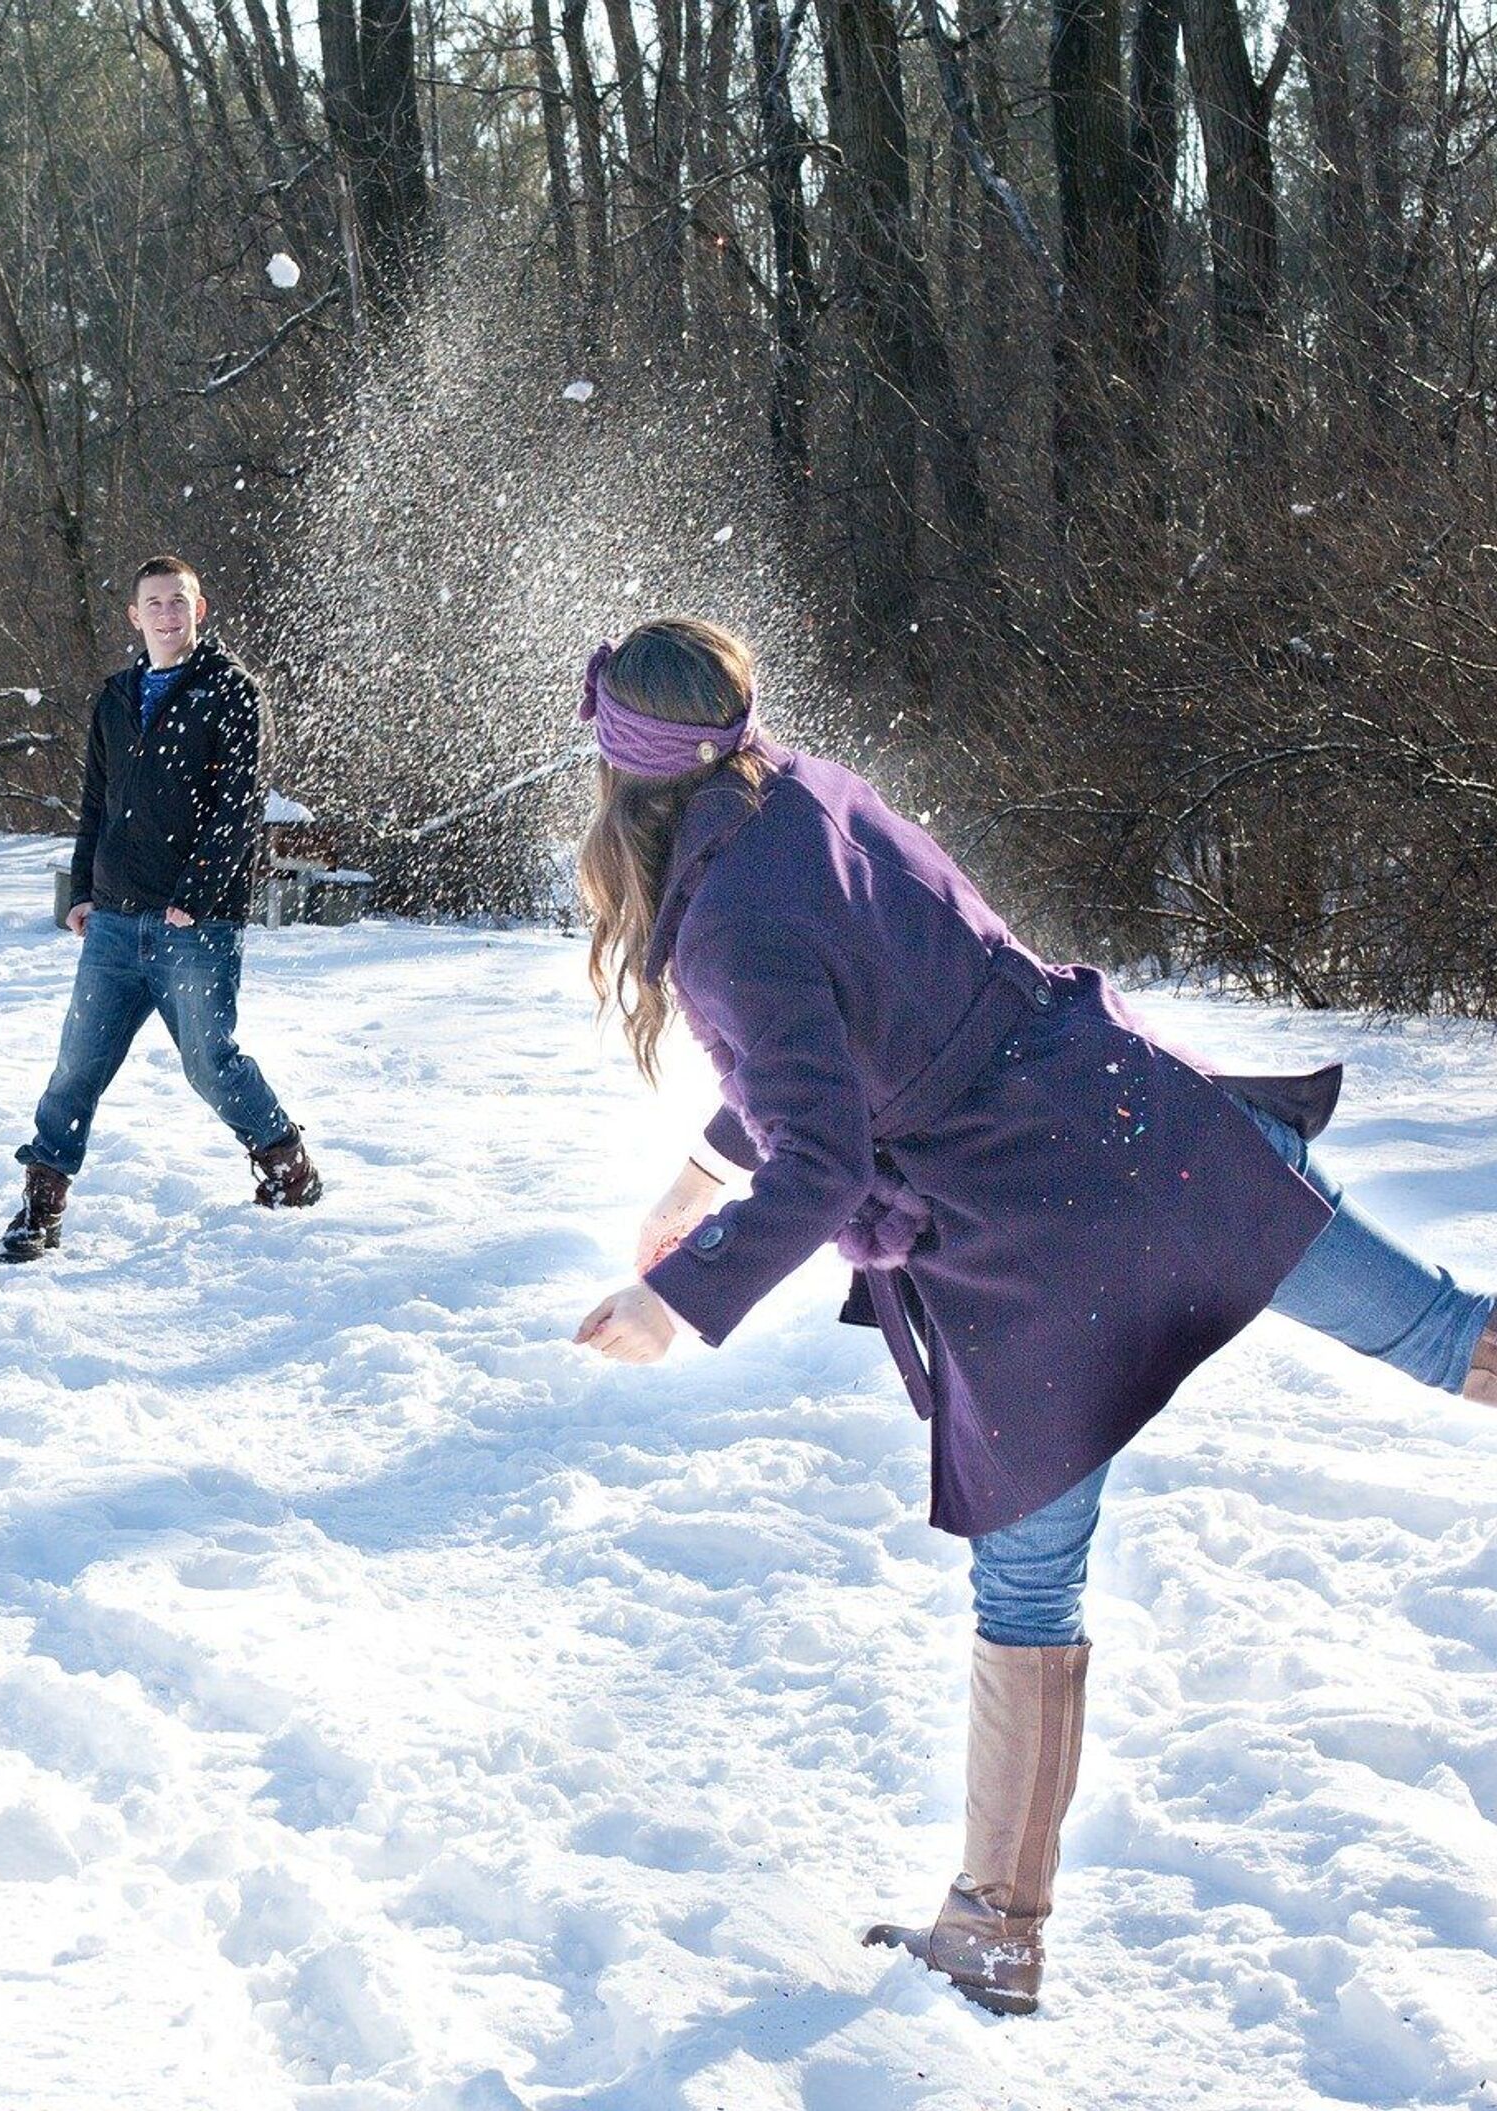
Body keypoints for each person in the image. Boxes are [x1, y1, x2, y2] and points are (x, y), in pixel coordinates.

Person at [570, 616, 1496, 2015]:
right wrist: (698, 1174)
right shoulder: (820, 795)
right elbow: (861, 1020)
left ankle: (998, 1927)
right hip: (1149, 1127)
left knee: (1026, 1589)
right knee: (1443, 1335)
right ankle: (989, 1928)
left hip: (1028, 1245)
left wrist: (675, 1299)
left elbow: (820, 1153)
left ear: (623, 772)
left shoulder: (725, 919)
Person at [0, 555, 321, 1262]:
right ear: (134, 616)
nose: (167, 615)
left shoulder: (229, 691)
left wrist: (194, 895)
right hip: (113, 920)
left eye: (179, 602)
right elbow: (95, 803)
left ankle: (288, 1167)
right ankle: (40, 1207)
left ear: (198, 611)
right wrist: (83, 889)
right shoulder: (114, 697)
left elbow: (237, 804)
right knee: (76, 1067)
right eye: (154, 603)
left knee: (210, 1063)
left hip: (194, 925)